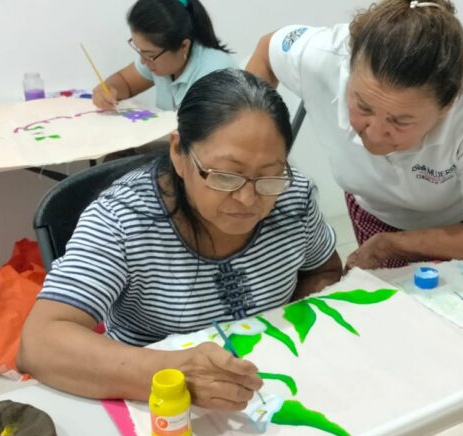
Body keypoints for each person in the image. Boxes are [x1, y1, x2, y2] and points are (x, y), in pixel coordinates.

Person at [18, 69, 342, 410]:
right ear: (178, 152)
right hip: (157, 406)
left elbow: (323, 270)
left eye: (269, 175)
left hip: (271, 393)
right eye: (225, 176)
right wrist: (176, 374)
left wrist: (290, 337)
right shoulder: (124, 219)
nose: (248, 199)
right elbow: (39, 344)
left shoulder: (292, 197)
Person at [247, 0, 463, 270]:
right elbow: (267, 51)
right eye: (363, 106)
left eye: (400, 121)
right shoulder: (322, 55)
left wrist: (390, 245)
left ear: (447, 106)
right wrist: (250, 160)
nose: (375, 134)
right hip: (375, 202)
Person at [92, 0, 236, 112]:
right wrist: (109, 90)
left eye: (149, 55)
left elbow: (207, 137)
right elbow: (125, 82)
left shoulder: (215, 75)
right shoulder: (161, 59)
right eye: (139, 50)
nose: (143, 61)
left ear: (184, 46)